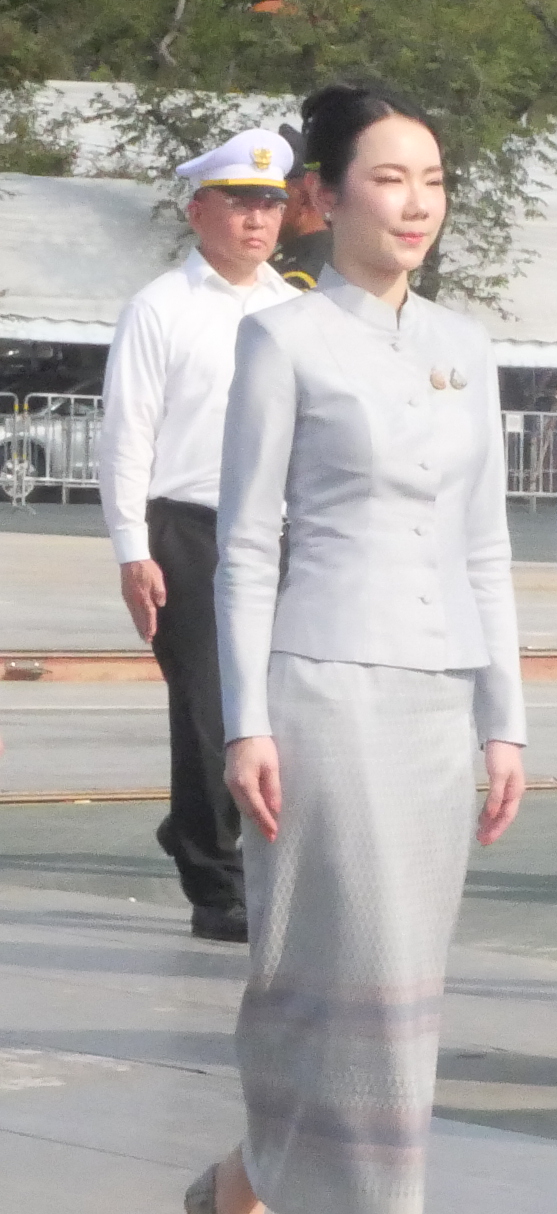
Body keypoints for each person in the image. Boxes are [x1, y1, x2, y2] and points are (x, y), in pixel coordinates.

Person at [184, 83, 526, 1214]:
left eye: (432, 179)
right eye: (388, 178)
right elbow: (248, 545)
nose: (416, 203)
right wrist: (245, 719)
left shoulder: (465, 345)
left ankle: (236, 1186)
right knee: (335, 971)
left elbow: (488, 543)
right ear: (324, 199)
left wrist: (507, 716)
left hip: (438, 697)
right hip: (322, 684)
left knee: (394, 982)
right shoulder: (285, 342)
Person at [99, 129, 298, 943]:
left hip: (279, 530)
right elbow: (127, 433)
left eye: (271, 205)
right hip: (187, 527)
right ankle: (213, 875)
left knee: (278, 705)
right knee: (212, 706)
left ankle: (235, 848)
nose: (257, 221)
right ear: (199, 211)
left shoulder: (293, 308)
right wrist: (130, 546)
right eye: (241, 204)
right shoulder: (160, 307)